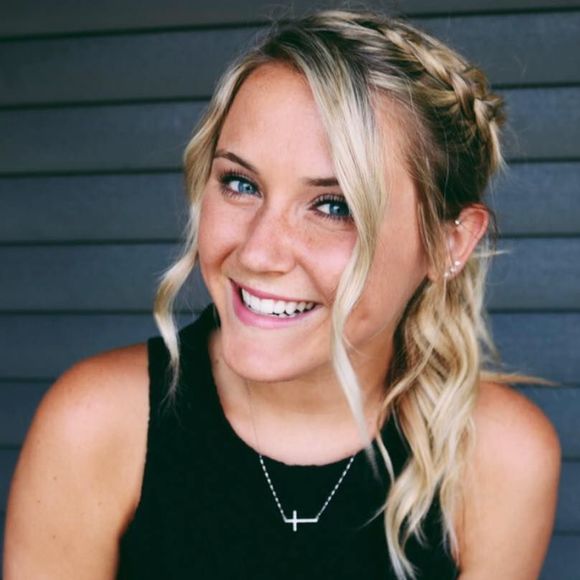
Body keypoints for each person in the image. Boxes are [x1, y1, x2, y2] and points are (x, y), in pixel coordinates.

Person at [3, 8, 561, 580]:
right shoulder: (98, 424)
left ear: (449, 243)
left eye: (334, 206)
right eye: (240, 184)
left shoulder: (501, 457)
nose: (258, 253)